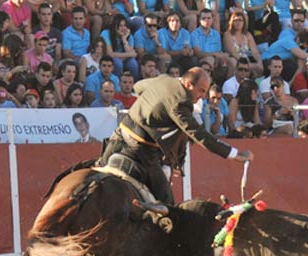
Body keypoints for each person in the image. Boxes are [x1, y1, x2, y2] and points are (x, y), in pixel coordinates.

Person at [99, 67, 253, 205]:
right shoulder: (181, 102)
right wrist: (235, 154)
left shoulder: (164, 79)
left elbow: (138, 87)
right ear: (188, 85)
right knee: (167, 204)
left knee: (96, 175)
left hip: (118, 137)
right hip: (141, 151)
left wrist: (152, 105)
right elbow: (200, 135)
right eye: (201, 90)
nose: (203, 96)